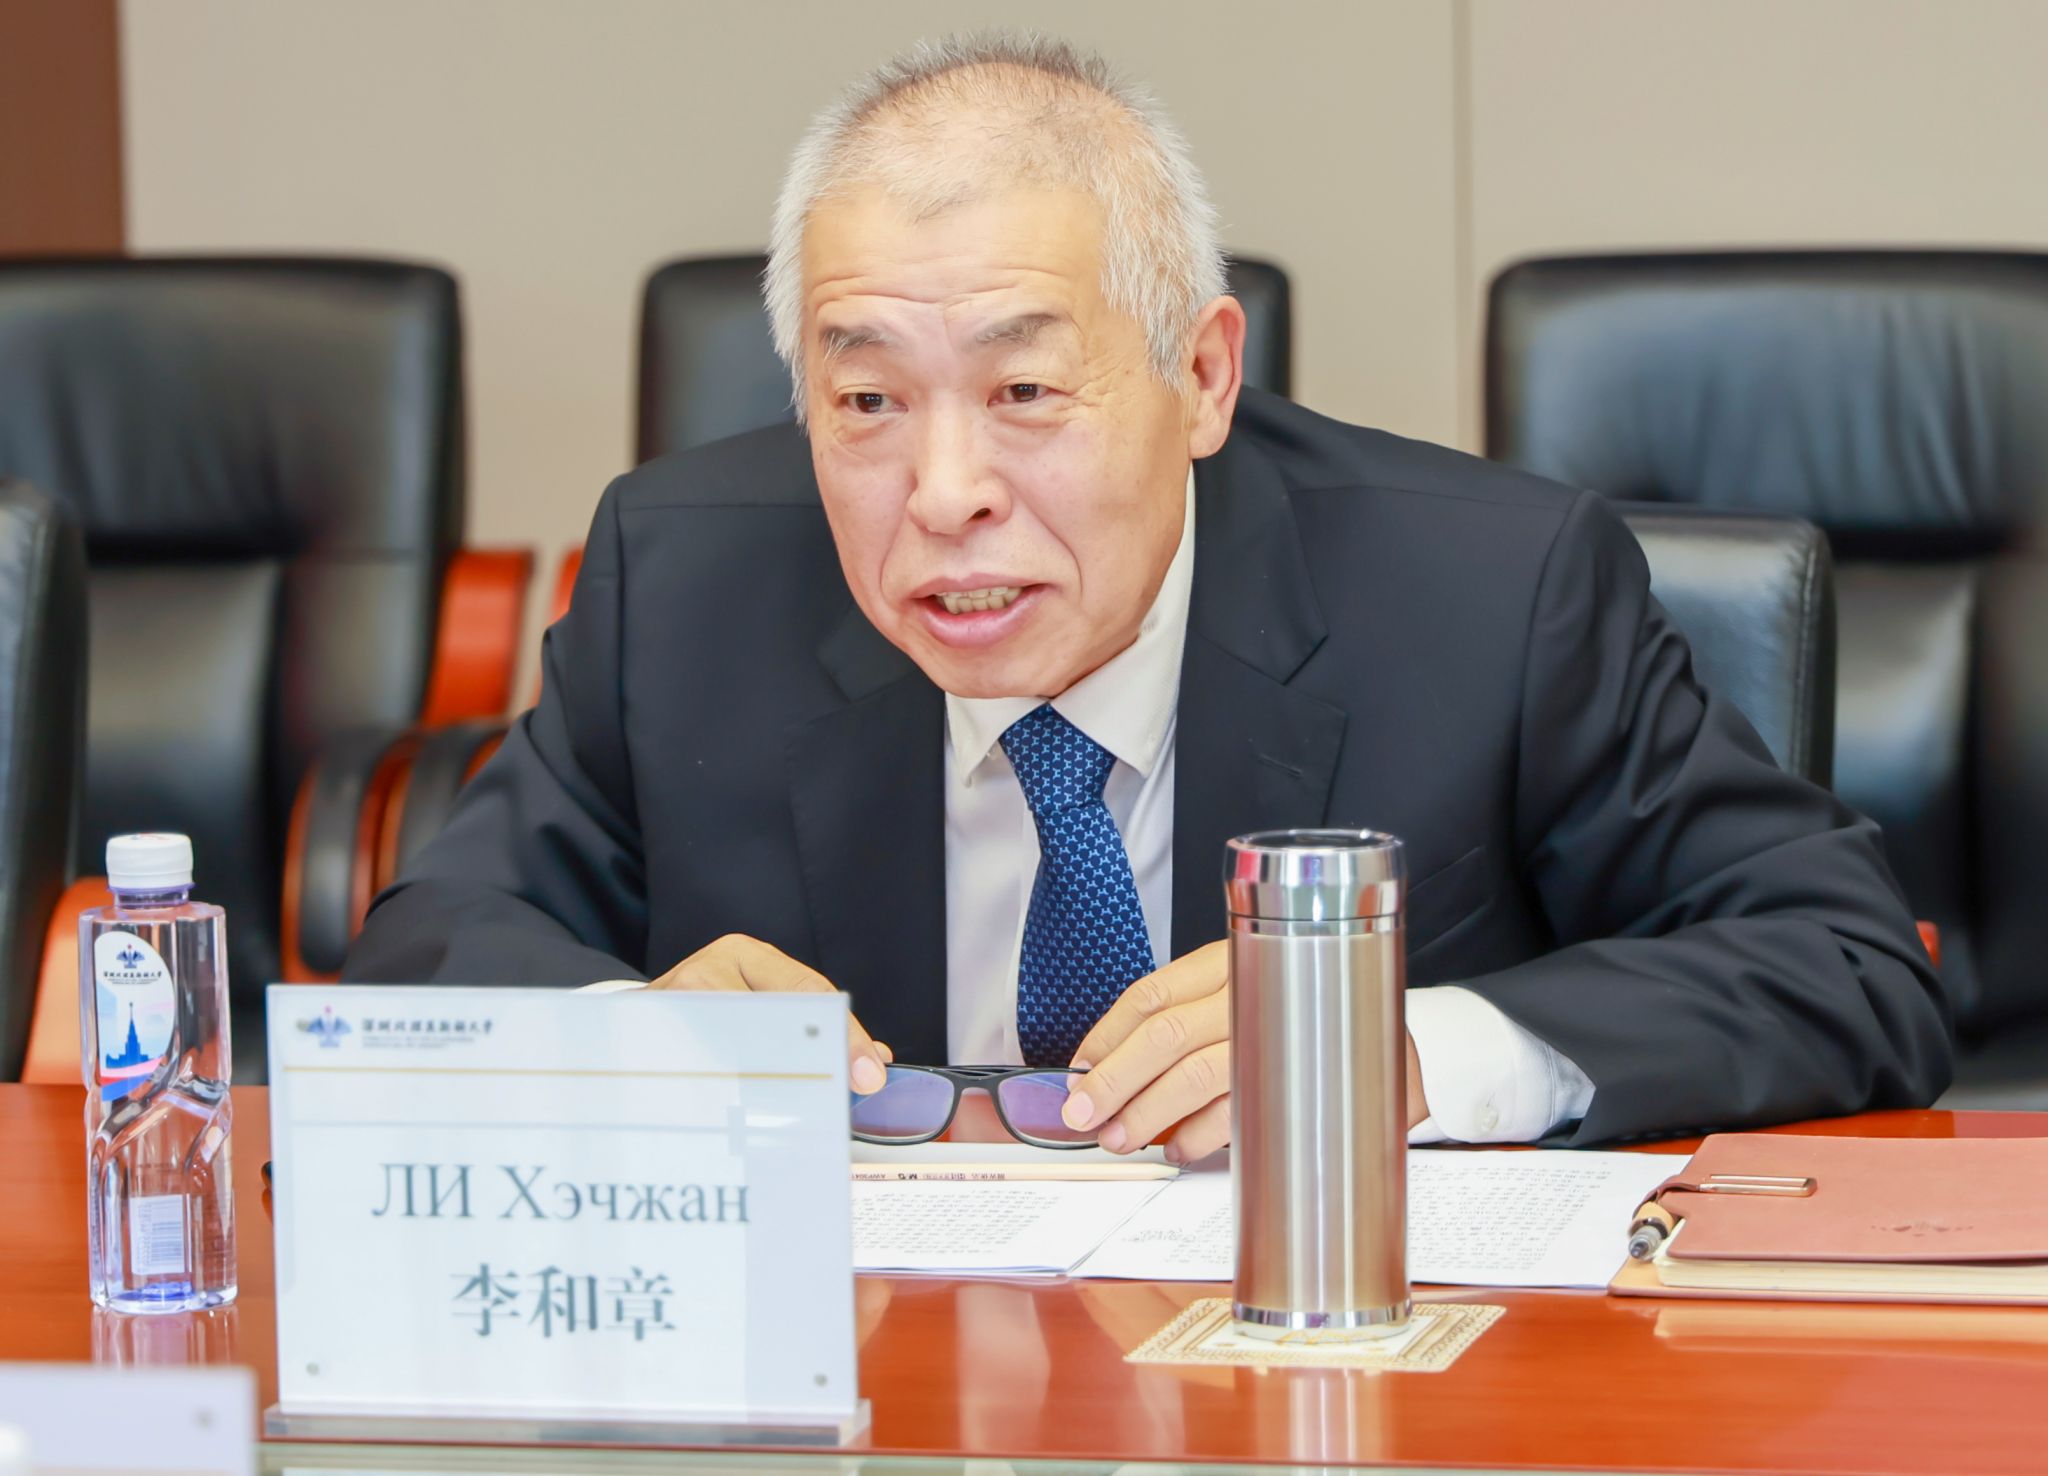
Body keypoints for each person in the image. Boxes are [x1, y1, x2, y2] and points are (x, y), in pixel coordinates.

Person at [345, 32, 1950, 1150]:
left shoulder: (1486, 596)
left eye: (1026, 393)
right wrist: (628, 1038)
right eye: (867, 400)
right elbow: (431, 945)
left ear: (1201, 375)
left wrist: (1394, 1056)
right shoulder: (684, 578)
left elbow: (1848, 962)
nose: (945, 492)